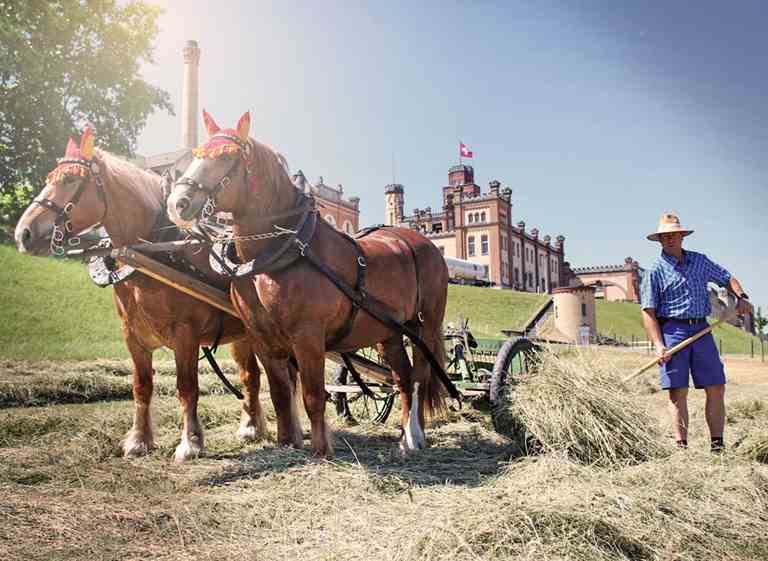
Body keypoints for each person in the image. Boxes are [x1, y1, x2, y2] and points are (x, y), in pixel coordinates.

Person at [640, 213, 753, 453]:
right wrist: (659, 345)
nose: (670, 239)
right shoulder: (654, 272)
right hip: (672, 331)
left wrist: (741, 296)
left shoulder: (700, 261)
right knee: (676, 391)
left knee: (716, 386)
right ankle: (682, 449)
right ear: (659, 240)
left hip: (702, 329)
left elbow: (727, 277)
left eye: (674, 234)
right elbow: (648, 312)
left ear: (682, 236)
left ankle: (717, 447)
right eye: (665, 236)